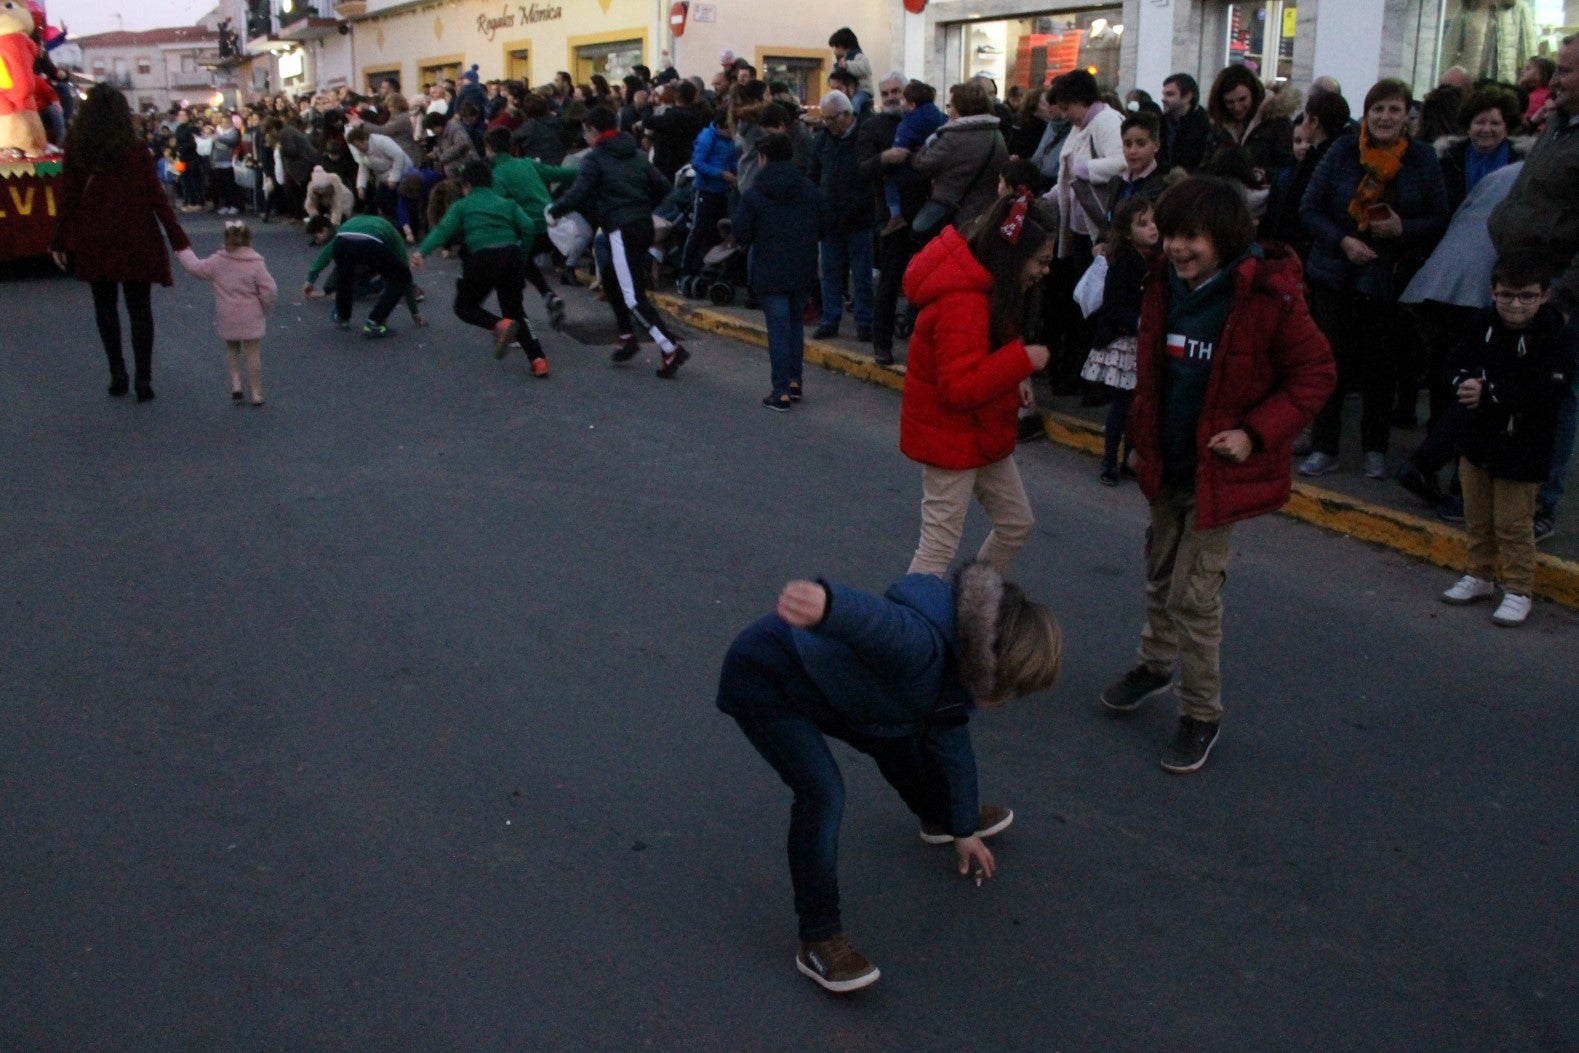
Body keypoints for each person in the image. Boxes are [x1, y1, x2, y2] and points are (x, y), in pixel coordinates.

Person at [715, 563, 1063, 993]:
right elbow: (877, 624)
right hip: (767, 677)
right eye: (1009, 691)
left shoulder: (958, 672)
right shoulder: (922, 647)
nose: (1006, 702)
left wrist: (963, 827)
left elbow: (953, 746)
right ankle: (819, 937)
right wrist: (827, 606)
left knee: (901, 741)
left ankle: (939, 818)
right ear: (991, 665)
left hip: (840, 691)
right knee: (822, 793)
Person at [1099, 176, 1335, 773]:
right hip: (1166, 464)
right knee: (1158, 572)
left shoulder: (1267, 298)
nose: (1176, 247)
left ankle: (1200, 713)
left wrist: (1254, 433)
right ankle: (1154, 665)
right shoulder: (1162, 284)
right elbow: (1154, 377)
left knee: (1194, 597)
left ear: (1226, 238)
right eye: (1171, 233)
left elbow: (1315, 374)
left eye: (1192, 237)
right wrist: (1138, 442)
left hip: (1219, 476)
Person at [1298, 78, 1449, 480]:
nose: (1385, 117)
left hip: (1389, 277)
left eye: (1394, 110)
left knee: (1381, 367)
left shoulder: (1421, 159)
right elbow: (1310, 209)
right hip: (1337, 274)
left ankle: (1375, 448)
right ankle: (1324, 446)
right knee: (1331, 363)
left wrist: (1404, 229)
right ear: (1366, 114)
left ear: (1406, 116)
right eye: (1377, 109)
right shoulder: (1343, 151)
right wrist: (1344, 241)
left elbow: (1439, 217)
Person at [900, 191, 1054, 577]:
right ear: (1015, 257)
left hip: (979, 433)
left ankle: (971, 600)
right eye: (1041, 261)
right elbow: (960, 388)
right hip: (951, 439)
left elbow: (982, 357)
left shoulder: (988, 291)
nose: (1044, 271)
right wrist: (1021, 360)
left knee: (1016, 522)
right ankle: (906, 628)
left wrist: (1014, 375)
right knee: (937, 547)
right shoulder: (963, 302)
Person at [1438, 257, 1574, 626]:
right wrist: (1461, 384)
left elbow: (1549, 390)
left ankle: (1517, 589)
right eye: (1507, 296)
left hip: (1524, 446)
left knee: (1514, 523)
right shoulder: (1481, 323)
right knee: (1477, 514)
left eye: (1527, 296)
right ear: (1492, 293)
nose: (1516, 305)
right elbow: (1454, 363)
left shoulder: (1554, 335)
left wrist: (1492, 393)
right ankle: (1479, 575)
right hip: (1477, 438)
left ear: (1544, 296)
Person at [1487, 33, 1579, 543]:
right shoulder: (1559, 127)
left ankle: (1541, 505)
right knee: (1512, 387)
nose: (1554, 82)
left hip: (1557, 295)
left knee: (1557, 398)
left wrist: (1562, 298)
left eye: (1565, 72)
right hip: (1519, 279)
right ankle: (1504, 491)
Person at [50, 84, 191, 403]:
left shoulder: (77, 149)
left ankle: (118, 372)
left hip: (95, 237)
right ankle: (144, 378)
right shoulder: (137, 150)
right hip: (136, 234)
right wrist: (177, 238)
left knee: (105, 306)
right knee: (139, 307)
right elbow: (157, 198)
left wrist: (58, 239)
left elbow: (69, 198)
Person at [547, 106, 691, 377]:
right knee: (612, 280)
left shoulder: (595, 158)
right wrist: (639, 205)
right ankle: (626, 335)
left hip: (621, 229)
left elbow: (579, 192)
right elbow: (664, 188)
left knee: (632, 296)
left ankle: (669, 347)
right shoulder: (636, 154)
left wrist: (555, 211)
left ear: (593, 131)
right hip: (642, 225)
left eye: (586, 132)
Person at [411, 160, 550, 375]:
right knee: (516, 312)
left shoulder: (463, 205)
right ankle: (538, 360)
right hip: (511, 255)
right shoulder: (507, 204)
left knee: (465, 307)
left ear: (466, 185)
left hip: (482, 258)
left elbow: (443, 229)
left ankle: (499, 325)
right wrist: (521, 256)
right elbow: (529, 227)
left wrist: (422, 251)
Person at [733, 132, 828, 410]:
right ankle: (795, 380)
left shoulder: (755, 193)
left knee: (777, 328)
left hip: (770, 268)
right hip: (802, 267)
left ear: (763, 158)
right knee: (795, 324)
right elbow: (825, 225)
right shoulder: (809, 189)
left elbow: (741, 232)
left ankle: (780, 390)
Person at [1080, 196, 1160, 484]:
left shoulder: (1157, 260)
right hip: (1124, 343)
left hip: (1144, 343)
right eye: (1143, 224)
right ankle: (1109, 461)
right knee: (1123, 405)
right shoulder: (1123, 263)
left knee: (1139, 406)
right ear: (1127, 233)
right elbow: (1114, 308)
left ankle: (1130, 456)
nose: (1152, 228)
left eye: (1153, 222)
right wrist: (1140, 321)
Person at [859, 73, 928, 366]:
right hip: (890, 218)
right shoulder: (872, 126)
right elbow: (861, 168)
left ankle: (919, 344)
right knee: (889, 283)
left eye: (896, 91)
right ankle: (882, 345)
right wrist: (885, 158)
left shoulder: (923, 120)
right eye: (885, 93)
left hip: (925, 214)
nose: (891, 97)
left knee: (924, 284)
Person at [174, 220, 279, 406]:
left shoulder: (218, 261)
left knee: (232, 350)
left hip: (227, 314)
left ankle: (236, 386)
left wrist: (183, 249)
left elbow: (195, 267)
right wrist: (264, 306)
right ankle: (256, 393)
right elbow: (269, 289)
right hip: (251, 315)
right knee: (253, 353)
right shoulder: (256, 263)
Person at [482, 126, 577, 329]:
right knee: (525, 263)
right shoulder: (528, 164)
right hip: (551, 226)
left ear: (490, 148)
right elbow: (562, 173)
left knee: (514, 268)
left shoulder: (497, 175)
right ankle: (548, 296)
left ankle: (521, 321)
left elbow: (499, 208)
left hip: (527, 229)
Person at [806, 90, 875, 342]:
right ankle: (830, 319)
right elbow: (813, 175)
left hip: (859, 218)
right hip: (830, 219)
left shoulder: (864, 138)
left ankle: (864, 321)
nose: (827, 124)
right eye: (824, 119)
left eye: (831, 119)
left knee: (862, 275)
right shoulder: (822, 141)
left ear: (847, 115)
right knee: (831, 273)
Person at [909, 80, 1009, 240]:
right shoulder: (997, 135)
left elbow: (924, 164)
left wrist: (916, 151)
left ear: (960, 109)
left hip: (953, 215)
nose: (948, 111)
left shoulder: (954, 136)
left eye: (951, 106)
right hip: (985, 214)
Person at [302, 212, 418, 338]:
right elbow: (405, 273)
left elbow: (325, 256)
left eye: (317, 237)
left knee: (344, 276)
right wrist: (414, 311)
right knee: (401, 277)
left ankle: (342, 316)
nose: (317, 242)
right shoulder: (391, 232)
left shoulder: (350, 224)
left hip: (342, 242)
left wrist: (310, 280)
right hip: (370, 245)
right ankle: (374, 323)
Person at [880, 80, 946, 236]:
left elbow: (901, 144)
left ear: (912, 103)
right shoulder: (939, 115)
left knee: (889, 180)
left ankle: (895, 217)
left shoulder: (910, 121)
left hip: (910, 173)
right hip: (932, 171)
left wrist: (893, 153)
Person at [680, 107, 738, 281]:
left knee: (719, 231)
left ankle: (713, 268)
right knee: (699, 229)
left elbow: (732, 159)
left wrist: (736, 172)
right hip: (707, 189)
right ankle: (686, 269)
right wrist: (720, 173)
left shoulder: (728, 141)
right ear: (721, 126)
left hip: (724, 190)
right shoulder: (707, 137)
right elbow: (698, 163)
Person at [1159, 73, 1213, 173]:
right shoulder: (1160, 123)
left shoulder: (1205, 124)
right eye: (1164, 94)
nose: (1163, 99)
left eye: (1170, 94)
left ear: (1188, 97)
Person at [828, 27, 873, 111]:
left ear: (844, 46)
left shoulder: (858, 56)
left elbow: (865, 68)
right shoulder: (839, 62)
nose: (834, 52)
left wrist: (848, 66)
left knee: (855, 102)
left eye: (837, 48)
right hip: (847, 91)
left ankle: (853, 117)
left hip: (862, 90)